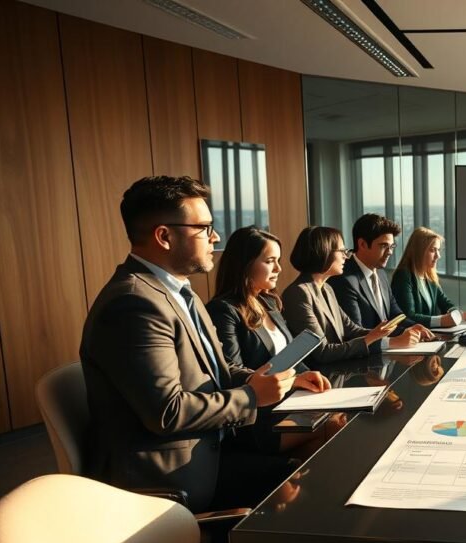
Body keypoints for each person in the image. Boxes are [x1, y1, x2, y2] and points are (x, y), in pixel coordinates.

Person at [80, 176, 328, 513]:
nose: (215, 237)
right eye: (204, 228)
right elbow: (168, 413)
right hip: (172, 472)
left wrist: (281, 380)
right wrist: (253, 396)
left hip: (211, 443)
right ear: (164, 236)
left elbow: (220, 372)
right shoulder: (134, 303)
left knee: (316, 454)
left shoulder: (181, 293)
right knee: (300, 487)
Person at [207, 226, 345, 458]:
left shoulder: (269, 303)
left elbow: (289, 356)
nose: (279, 269)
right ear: (245, 264)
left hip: (288, 404)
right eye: (271, 261)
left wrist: (308, 376)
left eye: (278, 260)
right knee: (336, 427)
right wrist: (292, 382)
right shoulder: (224, 310)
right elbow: (230, 371)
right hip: (257, 417)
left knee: (339, 421)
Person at [281, 226, 421, 368]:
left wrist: (388, 333)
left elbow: (351, 330)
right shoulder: (298, 294)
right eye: (342, 251)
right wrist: (376, 338)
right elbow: (322, 352)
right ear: (324, 251)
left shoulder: (327, 289)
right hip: (318, 378)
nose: (346, 256)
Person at [332, 214, 431, 343]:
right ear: (362, 244)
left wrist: (413, 327)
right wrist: (397, 339)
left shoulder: (381, 274)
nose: (390, 252)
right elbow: (356, 334)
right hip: (365, 357)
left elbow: (395, 315)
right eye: (384, 246)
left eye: (391, 246)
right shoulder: (344, 279)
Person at [391, 227, 466, 327]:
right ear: (419, 251)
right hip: (413, 337)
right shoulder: (403, 276)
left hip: (429, 336)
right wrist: (441, 321)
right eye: (433, 250)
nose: (438, 256)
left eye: (438, 250)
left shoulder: (429, 276)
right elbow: (407, 317)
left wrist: (459, 314)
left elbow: (446, 303)